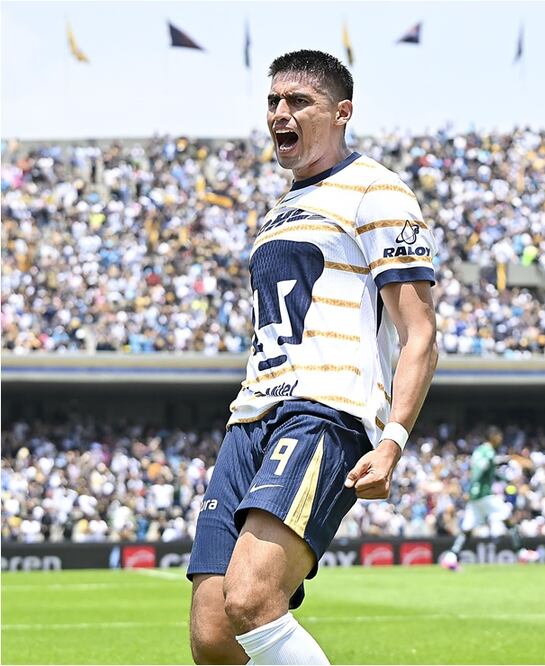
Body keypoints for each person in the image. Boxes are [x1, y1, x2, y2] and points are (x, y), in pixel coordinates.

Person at [186, 50, 439, 665]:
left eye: (298, 101)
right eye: (273, 102)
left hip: (323, 411)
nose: (280, 113)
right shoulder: (279, 212)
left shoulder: (376, 189)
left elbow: (420, 333)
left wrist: (393, 440)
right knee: (214, 635)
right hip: (252, 417)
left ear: (342, 112)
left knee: (251, 598)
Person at [440, 427, 538, 569]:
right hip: (483, 494)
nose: (501, 439)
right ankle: (521, 553)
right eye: (499, 436)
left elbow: (489, 471)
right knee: (508, 516)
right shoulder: (489, 451)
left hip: (475, 497)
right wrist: (474, 486)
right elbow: (481, 470)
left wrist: (506, 480)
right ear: (493, 437)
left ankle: (451, 557)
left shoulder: (479, 451)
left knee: (467, 529)